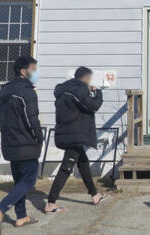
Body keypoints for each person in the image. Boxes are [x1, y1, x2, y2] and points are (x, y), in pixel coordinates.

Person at [0, 56, 43, 234]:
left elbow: (1, 117)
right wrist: (39, 138)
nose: (36, 73)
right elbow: (31, 119)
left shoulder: (5, 91)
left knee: (19, 181)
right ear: (23, 71)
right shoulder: (26, 92)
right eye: (33, 69)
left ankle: (21, 216)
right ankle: (0, 209)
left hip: (10, 142)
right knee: (28, 181)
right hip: (25, 142)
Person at [45, 66, 106, 213]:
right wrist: (98, 93)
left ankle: (95, 194)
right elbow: (92, 106)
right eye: (90, 79)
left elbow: (79, 105)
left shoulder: (64, 90)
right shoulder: (79, 89)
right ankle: (51, 203)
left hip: (66, 132)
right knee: (67, 167)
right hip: (74, 134)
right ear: (85, 78)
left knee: (83, 162)